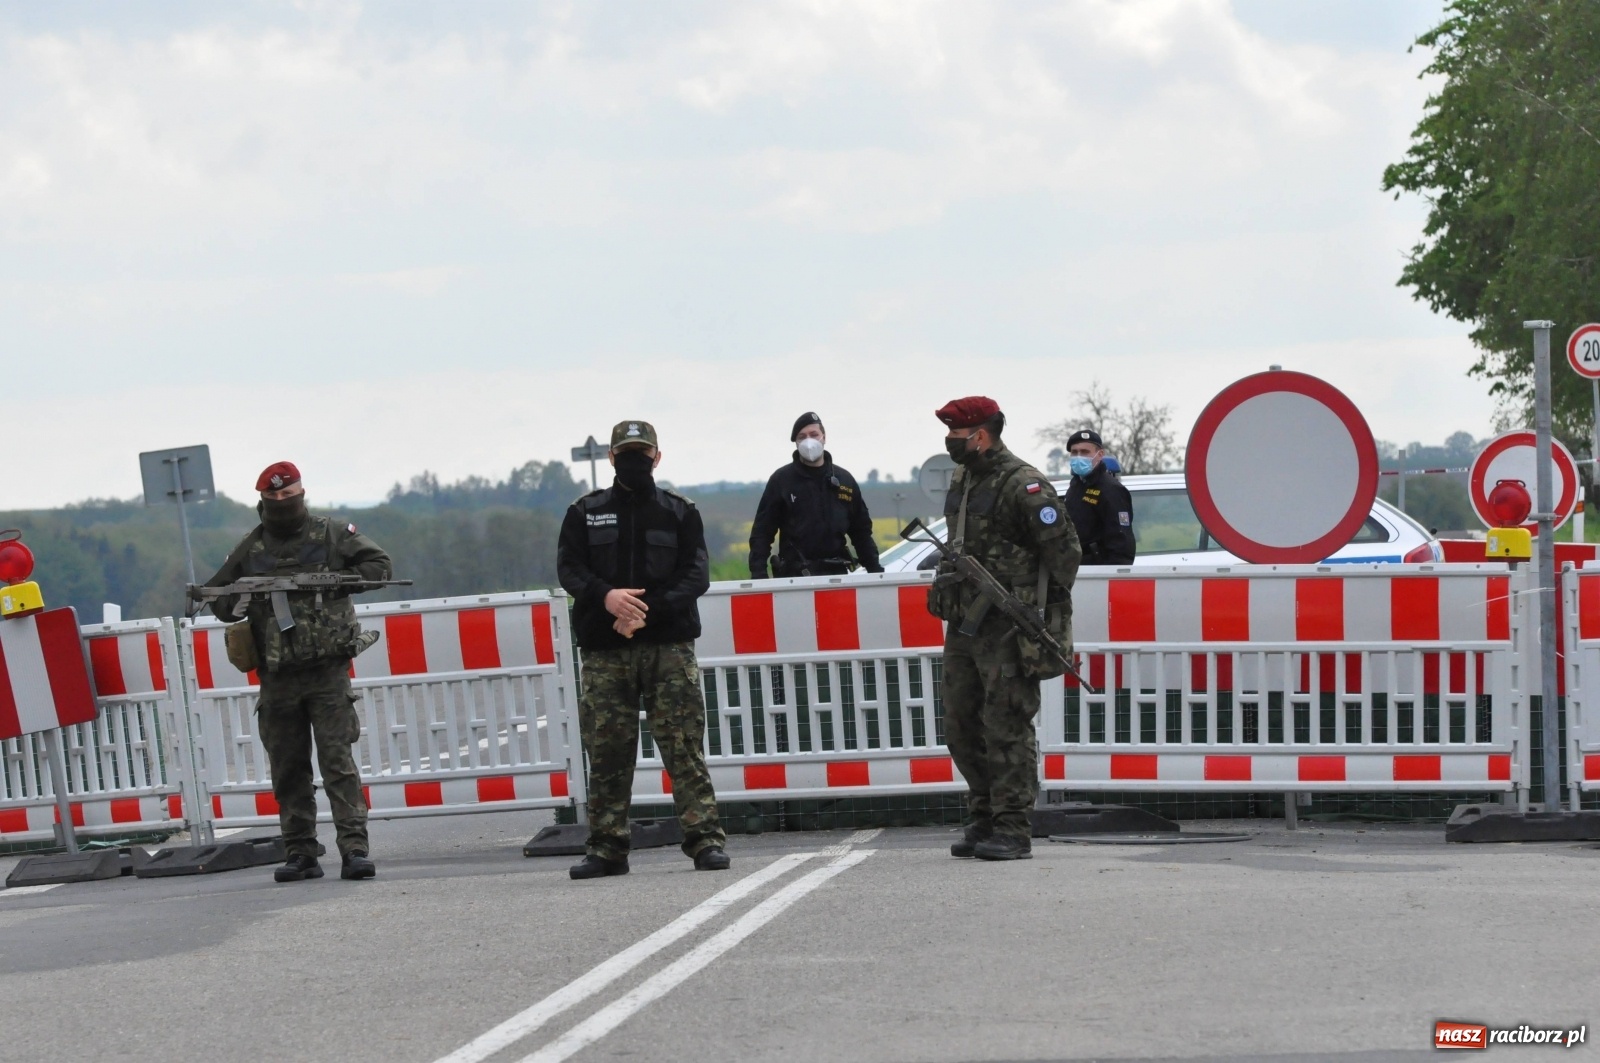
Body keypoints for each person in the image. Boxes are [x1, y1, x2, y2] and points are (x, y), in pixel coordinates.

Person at [201, 461, 393, 883]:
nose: (284, 503)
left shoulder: (330, 535)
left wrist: (335, 582)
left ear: (301, 493)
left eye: (290, 496)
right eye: (275, 498)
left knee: (337, 764)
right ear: (263, 501)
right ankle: (301, 852)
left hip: (327, 670)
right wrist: (238, 602)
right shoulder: (251, 549)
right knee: (288, 768)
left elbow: (380, 566)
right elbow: (216, 598)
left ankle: (354, 849)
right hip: (277, 675)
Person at [556, 419, 729, 879]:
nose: (635, 460)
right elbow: (569, 569)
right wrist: (607, 597)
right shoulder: (584, 511)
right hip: (604, 651)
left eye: (642, 452)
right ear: (612, 458)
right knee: (608, 750)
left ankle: (705, 840)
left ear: (657, 457)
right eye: (626, 453)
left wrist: (642, 610)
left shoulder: (679, 511)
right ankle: (607, 847)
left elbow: (697, 575)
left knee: (683, 746)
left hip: (667, 648)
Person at [928, 397, 1081, 861]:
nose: (951, 443)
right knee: (960, 723)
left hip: (1007, 625)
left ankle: (1013, 827)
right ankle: (983, 816)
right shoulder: (965, 478)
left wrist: (1027, 601)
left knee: (1006, 723)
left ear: (981, 434)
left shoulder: (1025, 484)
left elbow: (1065, 555)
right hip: (966, 623)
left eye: (957, 435)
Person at [748, 412, 883, 578]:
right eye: (802, 436)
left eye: (814, 435)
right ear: (796, 442)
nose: (809, 441)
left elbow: (861, 532)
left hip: (837, 576)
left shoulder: (844, 481)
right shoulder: (782, 481)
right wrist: (758, 575)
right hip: (794, 577)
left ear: (824, 437)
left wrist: (876, 572)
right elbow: (762, 532)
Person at [1061, 429, 1136, 565]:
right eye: (1074, 452)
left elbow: (1121, 541)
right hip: (1076, 566)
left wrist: (1113, 576)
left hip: (1097, 569)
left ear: (1100, 454)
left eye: (1084, 452)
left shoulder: (1111, 489)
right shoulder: (1076, 486)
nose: (1078, 457)